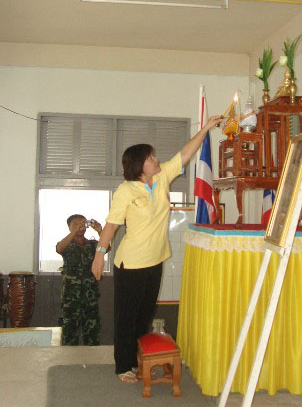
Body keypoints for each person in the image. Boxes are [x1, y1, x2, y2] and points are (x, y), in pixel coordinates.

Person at [92, 115, 222, 382]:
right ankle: (124, 366)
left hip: (155, 261)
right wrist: (99, 256)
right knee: (127, 318)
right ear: (140, 165)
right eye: (151, 157)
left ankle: (140, 360)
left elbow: (184, 154)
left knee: (145, 316)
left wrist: (206, 128)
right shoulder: (126, 191)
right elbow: (111, 226)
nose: (156, 159)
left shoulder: (161, 178)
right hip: (130, 264)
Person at [56, 214, 103, 346]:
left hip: (90, 295)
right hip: (71, 296)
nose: (80, 226)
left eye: (82, 223)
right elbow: (59, 248)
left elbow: (106, 248)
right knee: (70, 332)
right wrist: (74, 232)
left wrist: (100, 231)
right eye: (75, 224)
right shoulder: (67, 244)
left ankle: (92, 357)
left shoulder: (92, 245)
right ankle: (69, 357)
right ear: (69, 227)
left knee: (92, 333)